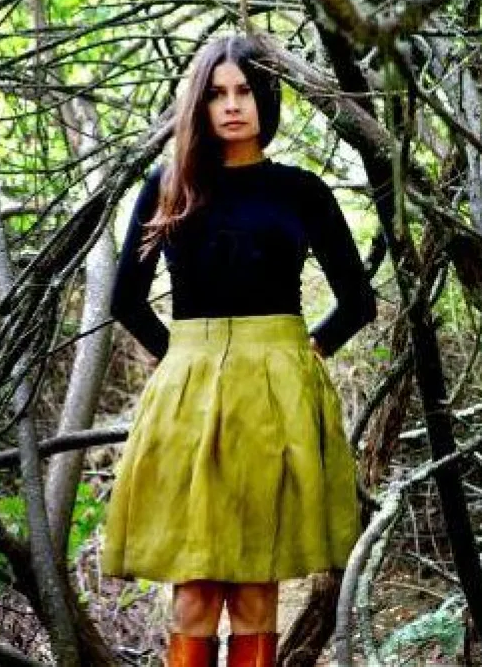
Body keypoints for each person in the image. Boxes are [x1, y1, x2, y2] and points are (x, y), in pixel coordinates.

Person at [101, 34, 376, 667]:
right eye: (217, 94)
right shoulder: (168, 184)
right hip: (188, 394)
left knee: (258, 588)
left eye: (245, 91)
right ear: (198, 106)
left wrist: (302, 353)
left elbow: (358, 303)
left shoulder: (301, 191)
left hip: (277, 393)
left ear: (266, 98)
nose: (231, 105)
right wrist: (182, 360)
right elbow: (127, 300)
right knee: (194, 591)